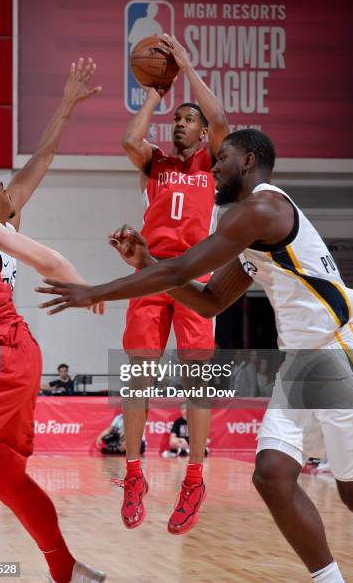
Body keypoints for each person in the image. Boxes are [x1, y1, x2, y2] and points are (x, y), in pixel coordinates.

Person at [38, 128, 353, 580]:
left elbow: (184, 267)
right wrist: (149, 266)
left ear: (248, 162)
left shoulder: (262, 209)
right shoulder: (251, 232)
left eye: (222, 158)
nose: (214, 167)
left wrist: (94, 289)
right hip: (303, 360)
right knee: (270, 474)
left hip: (339, 351)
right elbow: (210, 302)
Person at [0, 195, 105, 583]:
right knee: (5, 479)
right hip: (20, 353)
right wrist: (88, 290)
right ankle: (67, 569)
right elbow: (48, 260)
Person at [113, 33, 228, 533]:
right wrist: (155, 92)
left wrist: (185, 65)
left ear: (201, 135)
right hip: (151, 273)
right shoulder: (154, 163)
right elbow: (128, 142)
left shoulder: (211, 162)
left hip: (195, 278)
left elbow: (221, 120)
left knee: (196, 383)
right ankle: (134, 473)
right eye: (176, 120)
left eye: (188, 121)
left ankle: (194, 479)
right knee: (138, 376)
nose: (180, 126)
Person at [0, 57, 102, 295]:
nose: (9, 191)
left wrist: (67, 103)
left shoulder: (7, 225)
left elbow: (43, 156)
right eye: (2, 189)